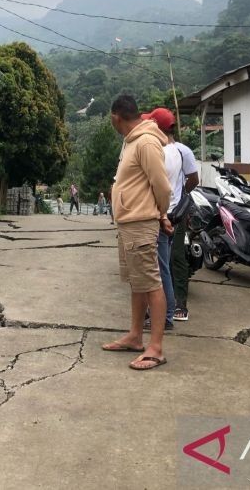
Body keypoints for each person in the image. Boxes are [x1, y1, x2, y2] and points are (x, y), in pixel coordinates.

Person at [102, 95, 172, 371]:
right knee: (137, 282)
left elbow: (162, 187)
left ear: (115, 117)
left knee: (151, 283)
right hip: (130, 223)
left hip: (141, 222)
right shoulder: (132, 140)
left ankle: (155, 348)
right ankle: (135, 336)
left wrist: (160, 213)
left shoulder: (145, 142)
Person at [147, 109, 200, 321]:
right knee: (161, 263)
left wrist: (180, 194)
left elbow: (193, 178)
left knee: (175, 258)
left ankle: (178, 305)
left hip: (172, 212)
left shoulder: (180, 151)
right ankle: (164, 308)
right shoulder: (157, 149)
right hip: (163, 210)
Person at [140, 108, 183, 332]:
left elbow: (159, 188)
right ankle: (164, 312)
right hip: (169, 214)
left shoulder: (162, 152)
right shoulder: (176, 150)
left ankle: (166, 316)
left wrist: (160, 215)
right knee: (161, 267)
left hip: (160, 216)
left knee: (159, 269)